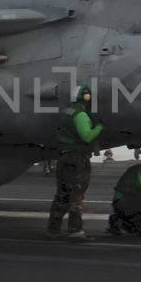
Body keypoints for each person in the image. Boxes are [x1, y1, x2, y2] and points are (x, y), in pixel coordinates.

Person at [47, 84, 104, 239]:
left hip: (64, 158)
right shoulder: (80, 115)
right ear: (85, 97)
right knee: (76, 196)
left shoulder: (66, 112)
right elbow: (87, 136)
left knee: (62, 194)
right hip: (77, 159)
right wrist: (99, 127)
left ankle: (53, 229)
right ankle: (75, 230)